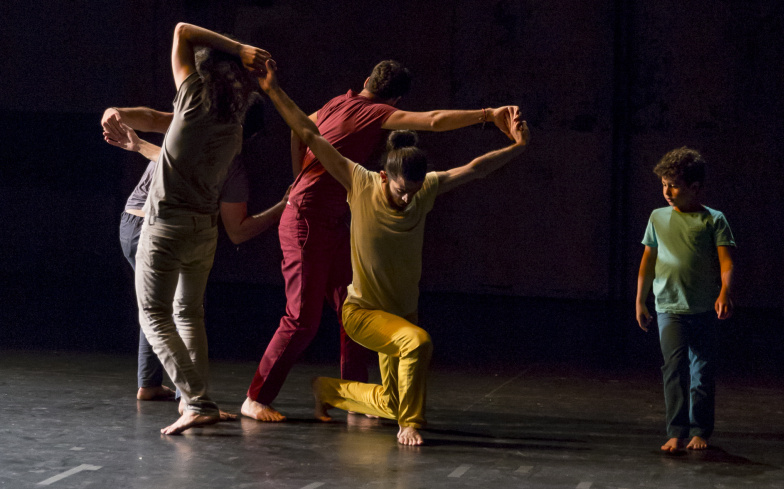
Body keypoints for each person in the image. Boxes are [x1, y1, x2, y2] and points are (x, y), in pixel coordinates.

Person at [258, 58, 528, 445]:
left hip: (397, 307)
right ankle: (409, 425)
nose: (408, 198)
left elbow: (474, 169)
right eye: (402, 190)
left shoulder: (424, 190)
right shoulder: (360, 182)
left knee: (391, 398)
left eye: (414, 191)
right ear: (384, 176)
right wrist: (272, 89)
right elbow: (306, 131)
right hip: (364, 309)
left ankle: (330, 391)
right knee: (414, 342)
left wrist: (519, 146)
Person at [116, 22, 269, 434]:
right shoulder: (234, 128)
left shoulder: (191, 100)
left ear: (199, 74)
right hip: (203, 232)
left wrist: (239, 47)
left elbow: (182, 30)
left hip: (166, 226)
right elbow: (170, 152)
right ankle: (194, 400)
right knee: (188, 314)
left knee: (154, 315)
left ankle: (197, 401)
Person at [103, 101, 287, 402]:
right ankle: (189, 397)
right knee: (182, 311)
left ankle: (150, 383)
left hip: (129, 223)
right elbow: (237, 229)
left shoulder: (187, 128)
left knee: (156, 304)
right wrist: (281, 208)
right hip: (157, 227)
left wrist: (118, 118)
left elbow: (152, 121)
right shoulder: (229, 160)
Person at [635, 147, 735, 452]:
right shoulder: (657, 217)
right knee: (674, 367)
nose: (667, 191)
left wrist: (725, 293)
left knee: (702, 370)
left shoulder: (713, 220)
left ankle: (699, 430)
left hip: (703, 308)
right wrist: (640, 300)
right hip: (668, 307)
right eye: (663, 184)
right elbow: (647, 261)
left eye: (674, 185)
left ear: (695, 188)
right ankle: (676, 430)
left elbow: (726, 263)